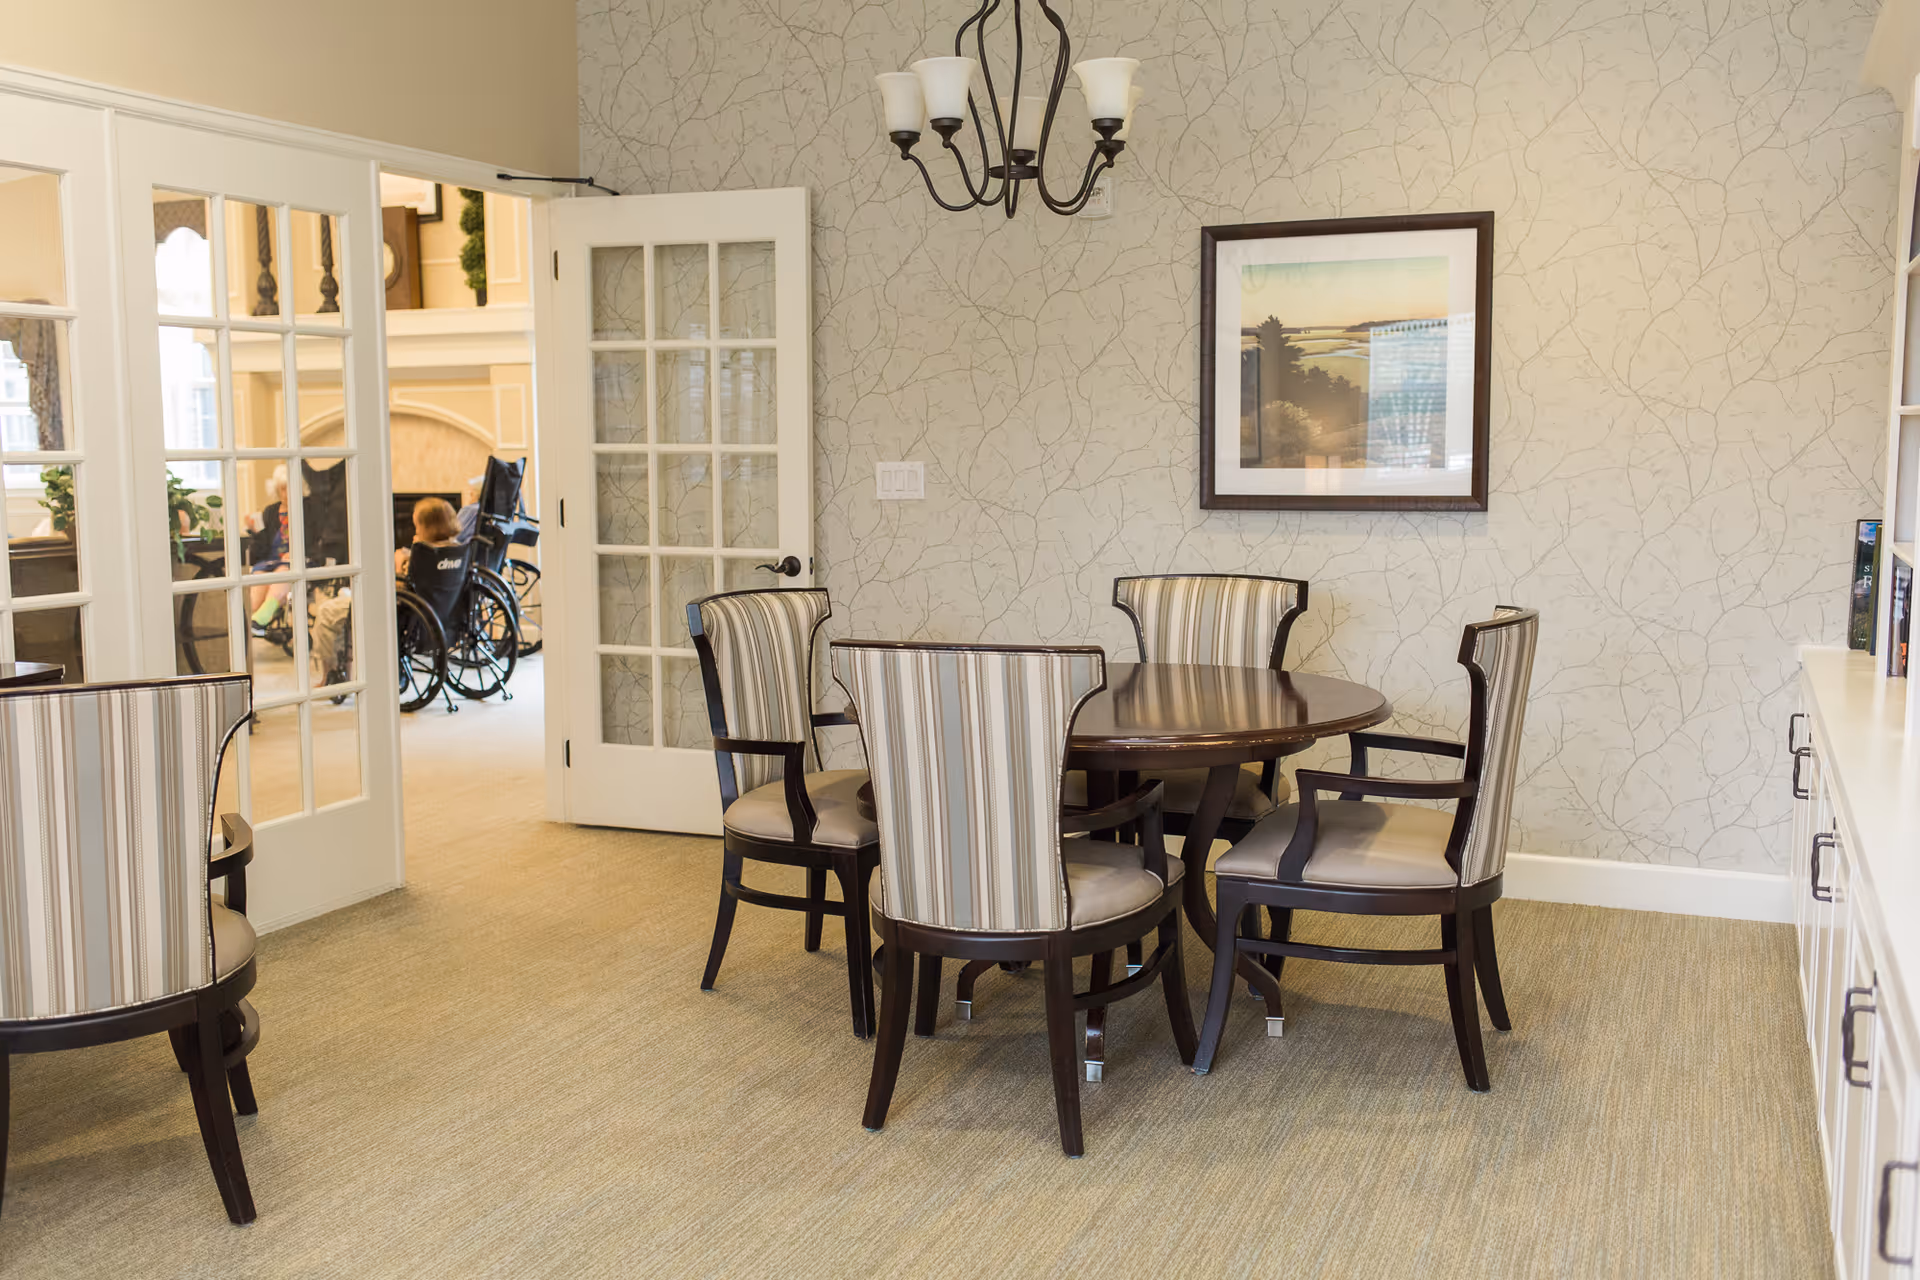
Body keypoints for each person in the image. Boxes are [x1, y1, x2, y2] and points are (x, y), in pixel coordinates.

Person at [245, 465, 291, 630]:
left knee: (282, 574)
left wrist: (295, 553)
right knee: (258, 578)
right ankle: (249, 622)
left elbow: (314, 540)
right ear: (278, 490)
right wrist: (255, 531)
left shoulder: (307, 509)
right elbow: (260, 549)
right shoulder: (270, 512)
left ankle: (263, 617)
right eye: (283, 489)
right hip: (269, 562)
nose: (287, 493)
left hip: (293, 563)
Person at [395, 496, 462, 578]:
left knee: (398, 556)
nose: (416, 531)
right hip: (452, 589)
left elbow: (413, 575)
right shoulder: (459, 548)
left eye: (417, 527)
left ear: (428, 528)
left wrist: (415, 548)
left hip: (418, 590)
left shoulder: (423, 551)